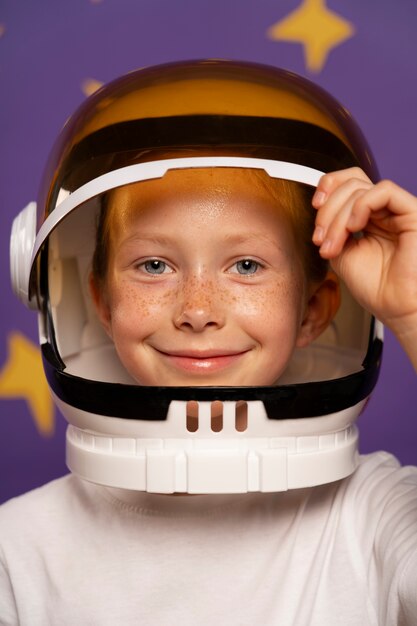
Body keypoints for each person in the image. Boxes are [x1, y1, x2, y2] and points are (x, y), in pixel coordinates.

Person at [1, 60, 417, 625]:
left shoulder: (379, 517)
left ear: (313, 310)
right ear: (101, 300)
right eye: (154, 265)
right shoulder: (17, 552)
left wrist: (415, 313)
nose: (198, 310)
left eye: (245, 265)